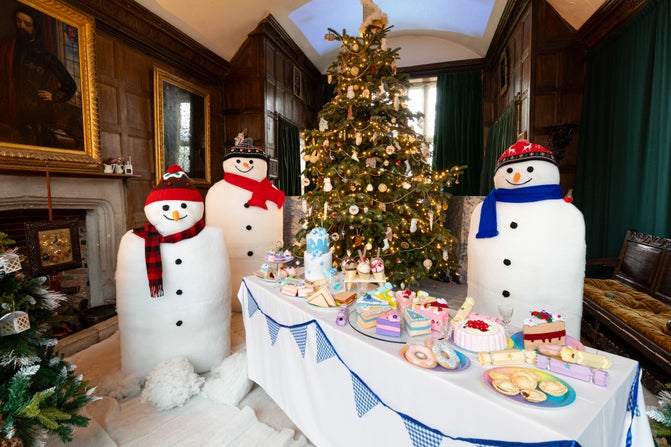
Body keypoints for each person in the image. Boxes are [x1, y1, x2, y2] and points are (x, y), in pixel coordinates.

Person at [0, 5, 78, 147]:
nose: (21, 26)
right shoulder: (7, 46)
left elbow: (70, 85)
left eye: (27, 24)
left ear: (35, 29)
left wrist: (54, 96)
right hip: (11, 110)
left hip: (37, 114)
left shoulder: (44, 55)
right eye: (18, 21)